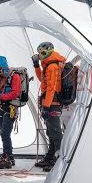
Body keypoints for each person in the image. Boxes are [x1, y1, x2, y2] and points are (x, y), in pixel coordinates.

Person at [32, 41, 65, 172]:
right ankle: (51, 157)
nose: (41, 56)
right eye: (40, 54)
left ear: (50, 51)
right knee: (50, 131)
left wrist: (46, 107)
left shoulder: (52, 66)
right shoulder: (48, 66)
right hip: (50, 103)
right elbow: (42, 80)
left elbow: (51, 88)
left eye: (43, 53)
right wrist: (36, 66)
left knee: (55, 133)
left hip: (52, 104)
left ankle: (59, 160)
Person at [0, 56, 21, 169]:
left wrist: (0, 97)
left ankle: (8, 156)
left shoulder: (15, 76)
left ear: (1, 66)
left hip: (11, 109)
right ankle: (7, 155)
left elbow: (15, 93)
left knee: (4, 133)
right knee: (3, 134)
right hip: (1, 108)